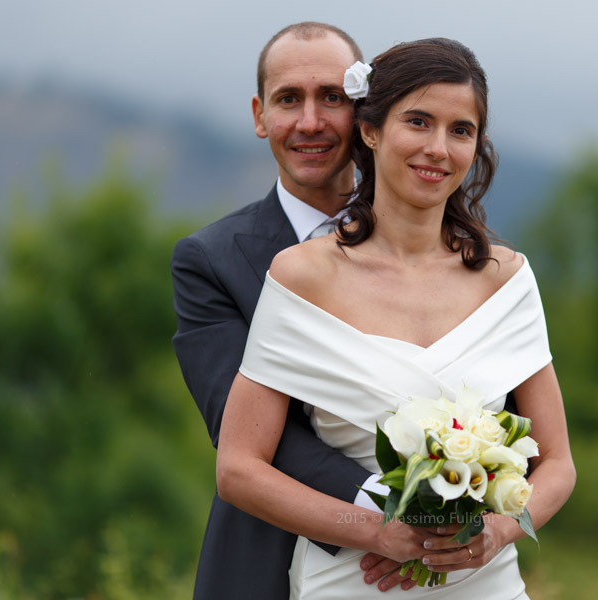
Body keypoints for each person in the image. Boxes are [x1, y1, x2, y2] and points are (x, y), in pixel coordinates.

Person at [216, 37, 577, 598]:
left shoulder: (506, 280)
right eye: (418, 122)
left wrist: (497, 531)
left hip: (484, 584)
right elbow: (239, 469)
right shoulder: (303, 276)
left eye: (461, 130)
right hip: (353, 581)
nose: (439, 148)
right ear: (370, 129)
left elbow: (556, 463)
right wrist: (377, 531)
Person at [171, 22, 416, 598]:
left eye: (332, 97)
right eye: (288, 100)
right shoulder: (209, 260)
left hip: (432, 569)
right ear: (260, 116)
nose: (310, 122)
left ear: (366, 115)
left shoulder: (440, 252)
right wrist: (395, 509)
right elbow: (253, 431)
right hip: (271, 558)